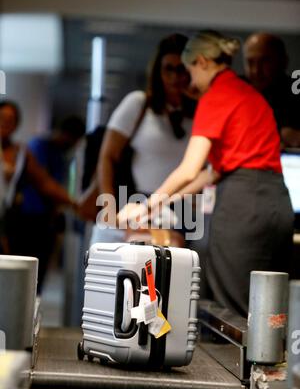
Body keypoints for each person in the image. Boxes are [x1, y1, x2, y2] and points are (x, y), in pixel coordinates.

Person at [118, 30, 294, 317]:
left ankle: (243, 363)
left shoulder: (218, 95)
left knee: (235, 306)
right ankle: (270, 362)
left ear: (201, 62)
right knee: (271, 305)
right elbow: (209, 174)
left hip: (243, 204)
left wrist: (145, 205)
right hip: (276, 203)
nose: (190, 81)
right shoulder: (247, 94)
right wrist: (159, 205)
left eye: (189, 71)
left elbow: (189, 168)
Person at [83, 33, 197, 244]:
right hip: (137, 202)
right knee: (132, 268)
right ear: (158, 71)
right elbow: (107, 156)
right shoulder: (138, 104)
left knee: (174, 269)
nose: (174, 77)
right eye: (168, 69)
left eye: (180, 69)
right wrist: (109, 206)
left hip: (183, 208)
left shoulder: (201, 113)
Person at [0, 100, 78, 290]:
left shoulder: (21, 152)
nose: (6, 122)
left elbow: (45, 183)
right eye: (2, 117)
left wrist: (75, 204)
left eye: (11, 119)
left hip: (6, 220)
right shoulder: (39, 146)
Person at [244, 33, 300, 149]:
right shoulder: (236, 91)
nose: (256, 70)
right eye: (250, 62)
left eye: (264, 61)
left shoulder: (295, 92)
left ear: (284, 61)